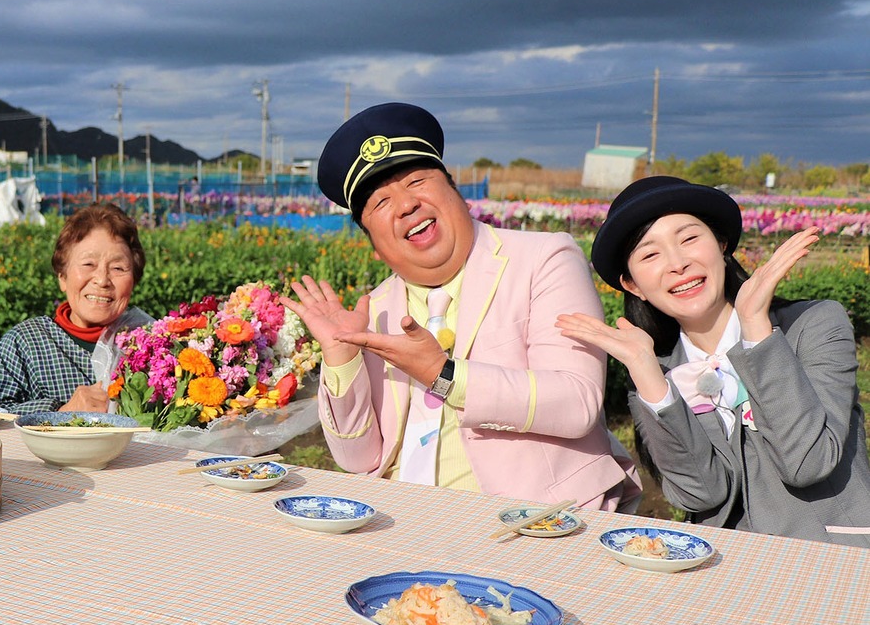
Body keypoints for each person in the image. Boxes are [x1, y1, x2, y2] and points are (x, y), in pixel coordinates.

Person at [282, 102, 637, 510]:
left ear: (456, 193)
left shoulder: (543, 258)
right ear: (374, 245)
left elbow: (577, 402)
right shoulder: (376, 308)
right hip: (400, 519)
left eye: (417, 181)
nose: (405, 205)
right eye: (380, 203)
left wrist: (444, 374)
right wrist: (343, 357)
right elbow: (358, 459)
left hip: (532, 517)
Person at [558, 176, 870, 546]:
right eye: (650, 254)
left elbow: (808, 463)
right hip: (720, 565)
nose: (677, 264)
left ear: (722, 244)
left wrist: (756, 331)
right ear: (633, 285)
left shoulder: (813, 325)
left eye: (689, 238)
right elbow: (701, 495)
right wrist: (649, 376)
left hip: (830, 557)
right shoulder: (655, 368)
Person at [0, 202, 151, 413]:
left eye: (118, 268)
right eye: (88, 264)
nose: (102, 280)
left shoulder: (153, 346)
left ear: (134, 280)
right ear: (62, 277)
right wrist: (60, 412)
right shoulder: (26, 344)